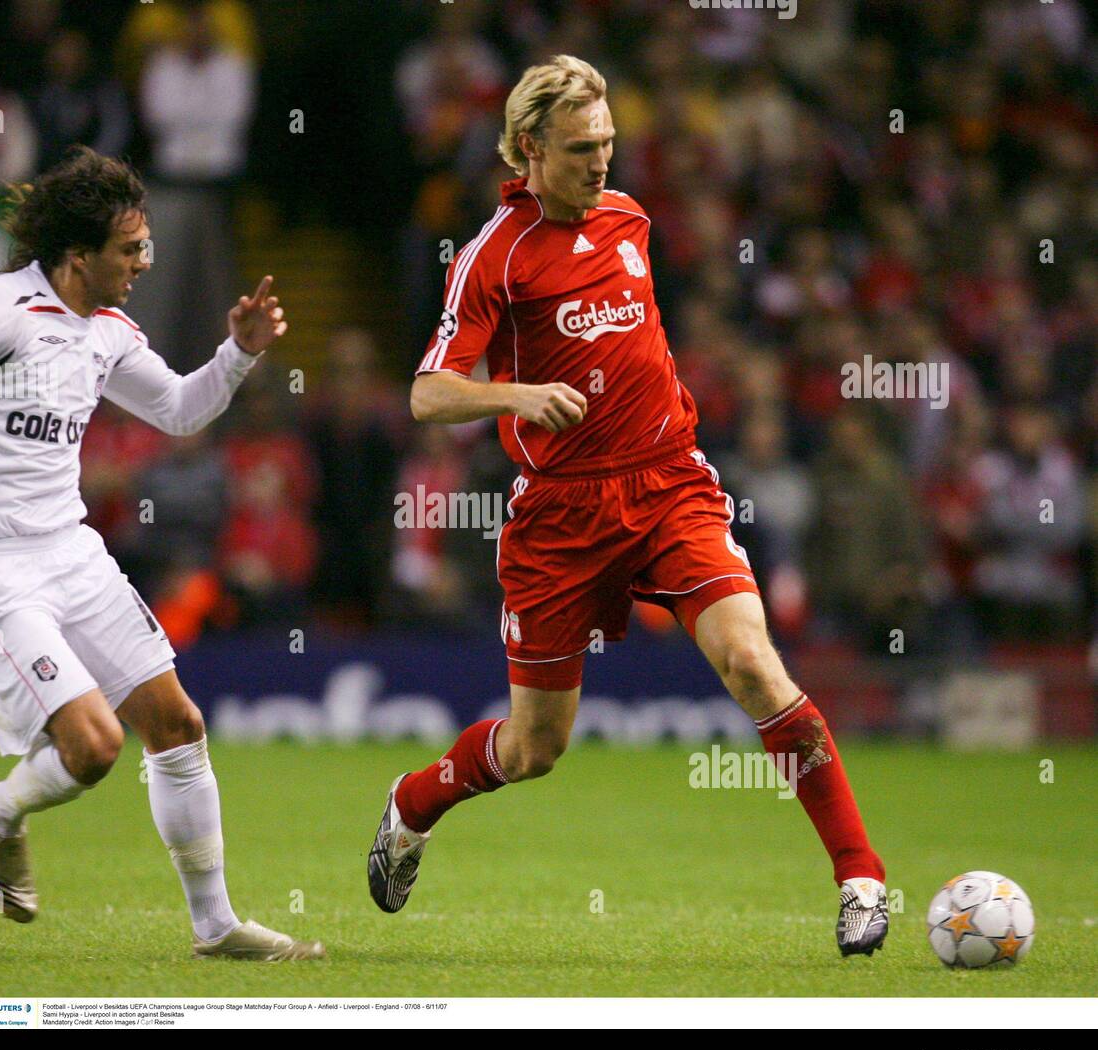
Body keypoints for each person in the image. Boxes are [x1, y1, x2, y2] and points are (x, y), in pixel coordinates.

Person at [367, 57, 889, 957]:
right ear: (530, 148)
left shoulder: (629, 219)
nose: (601, 163)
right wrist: (516, 398)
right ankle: (415, 803)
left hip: (668, 484)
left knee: (756, 667)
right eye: (581, 149)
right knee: (536, 749)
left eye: (608, 144)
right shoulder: (495, 254)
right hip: (560, 518)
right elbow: (426, 393)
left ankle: (862, 880)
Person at [0, 146, 322, 962]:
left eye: (145, 245)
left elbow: (180, 410)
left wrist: (240, 353)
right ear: (78, 256)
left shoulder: (106, 332)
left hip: (72, 553)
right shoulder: (2, 311)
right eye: (130, 249)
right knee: (95, 747)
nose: (145, 262)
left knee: (178, 724)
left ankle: (216, 928)